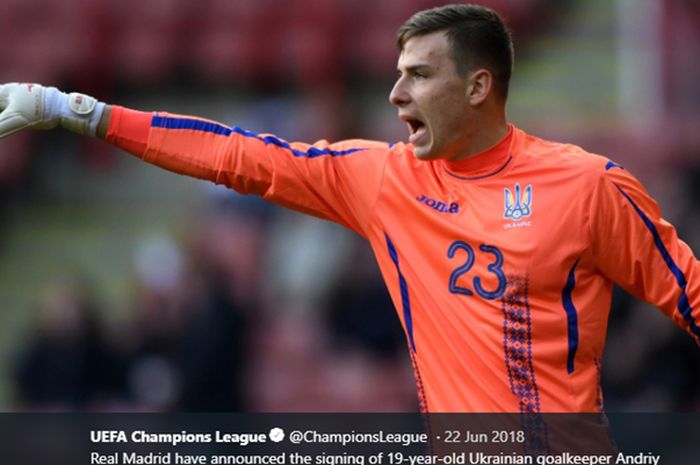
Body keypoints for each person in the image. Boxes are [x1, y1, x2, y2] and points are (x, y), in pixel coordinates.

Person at [0, 3, 697, 413]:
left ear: (481, 87)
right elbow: (237, 155)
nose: (396, 95)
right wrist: (83, 113)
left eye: (419, 76)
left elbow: (690, 294)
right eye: (396, 75)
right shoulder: (382, 179)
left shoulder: (587, 186)